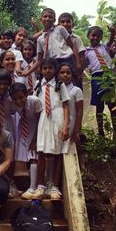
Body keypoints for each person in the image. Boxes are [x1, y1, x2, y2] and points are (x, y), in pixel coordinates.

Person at [34, 58, 70, 200]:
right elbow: (35, 105)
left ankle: (54, 186)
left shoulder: (60, 85)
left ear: (55, 70)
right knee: (42, 152)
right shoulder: (38, 85)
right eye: (45, 68)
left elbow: (66, 105)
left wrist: (66, 125)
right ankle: (41, 185)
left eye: (50, 68)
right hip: (43, 118)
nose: (47, 71)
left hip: (57, 117)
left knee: (57, 152)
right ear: (41, 70)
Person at [20, 8, 80, 78]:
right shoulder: (40, 39)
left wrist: (78, 63)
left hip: (66, 61)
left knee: (68, 83)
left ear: (54, 20)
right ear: (41, 19)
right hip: (51, 64)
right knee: (55, 85)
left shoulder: (60, 29)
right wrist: (27, 72)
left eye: (50, 17)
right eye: (45, 16)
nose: (47, 19)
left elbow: (72, 46)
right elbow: (39, 60)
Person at [9, 83, 41, 200]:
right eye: (15, 98)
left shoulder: (34, 101)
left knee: (34, 156)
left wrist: (35, 139)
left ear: (27, 94)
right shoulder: (12, 104)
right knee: (26, 157)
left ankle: (33, 187)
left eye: (21, 97)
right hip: (22, 128)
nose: (18, 101)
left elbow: (39, 120)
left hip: (35, 127)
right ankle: (31, 184)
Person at [0, 69, 19, 198]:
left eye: (5, 84)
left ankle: (11, 182)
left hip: (8, 126)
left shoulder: (12, 97)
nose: (2, 86)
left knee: (9, 155)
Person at [85, 26, 116, 136]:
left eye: (98, 36)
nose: (95, 38)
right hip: (96, 77)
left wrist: (112, 33)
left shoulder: (105, 47)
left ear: (101, 37)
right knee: (99, 105)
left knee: (112, 103)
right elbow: (83, 64)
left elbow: (111, 41)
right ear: (88, 36)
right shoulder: (86, 52)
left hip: (109, 75)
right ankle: (101, 131)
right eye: (93, 35)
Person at [58, 12, 86, 89]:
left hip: (74, 68)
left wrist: (80, 70)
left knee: (76, 89)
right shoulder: (56, 39)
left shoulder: (76, 38)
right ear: (58, 25)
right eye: (62, 22)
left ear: (72, 24)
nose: (65, 24)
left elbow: (82, 56)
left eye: (68, 21)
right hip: (59, 68)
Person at [58, 63, 83, 145]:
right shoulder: (55, 90)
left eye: (68, 73)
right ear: (57, 74)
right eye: (62, 72)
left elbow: (79, 111)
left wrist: (76, 130)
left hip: (71, 125)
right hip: (57, 124)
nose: (65, 75)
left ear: (72, 75)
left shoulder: (76, 90)